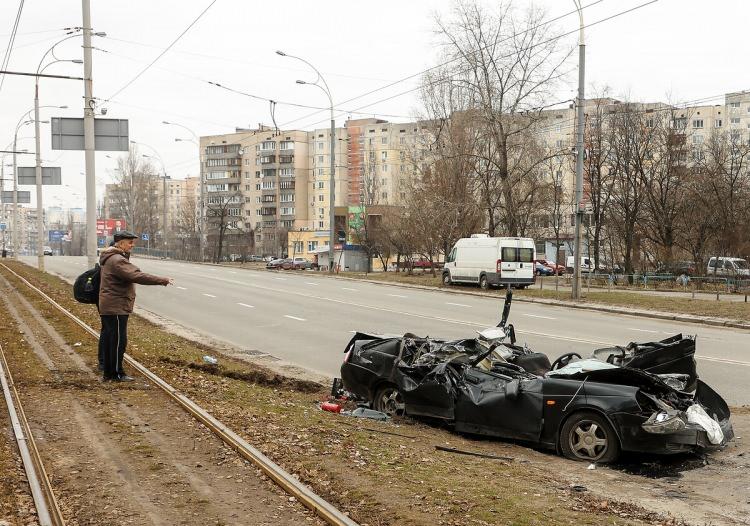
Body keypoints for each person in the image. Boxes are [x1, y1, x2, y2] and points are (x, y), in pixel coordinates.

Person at [98, 231, 172, 381]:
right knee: (118, 341)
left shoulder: (112, 257)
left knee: (111, 339)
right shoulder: (118, 260)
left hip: (111, 305)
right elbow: (136, 275)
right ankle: (115, 374)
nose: (132, 245)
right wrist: (161, 280)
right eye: (130, 242)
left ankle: (108, 371)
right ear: (120, 243)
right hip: (116, 306)